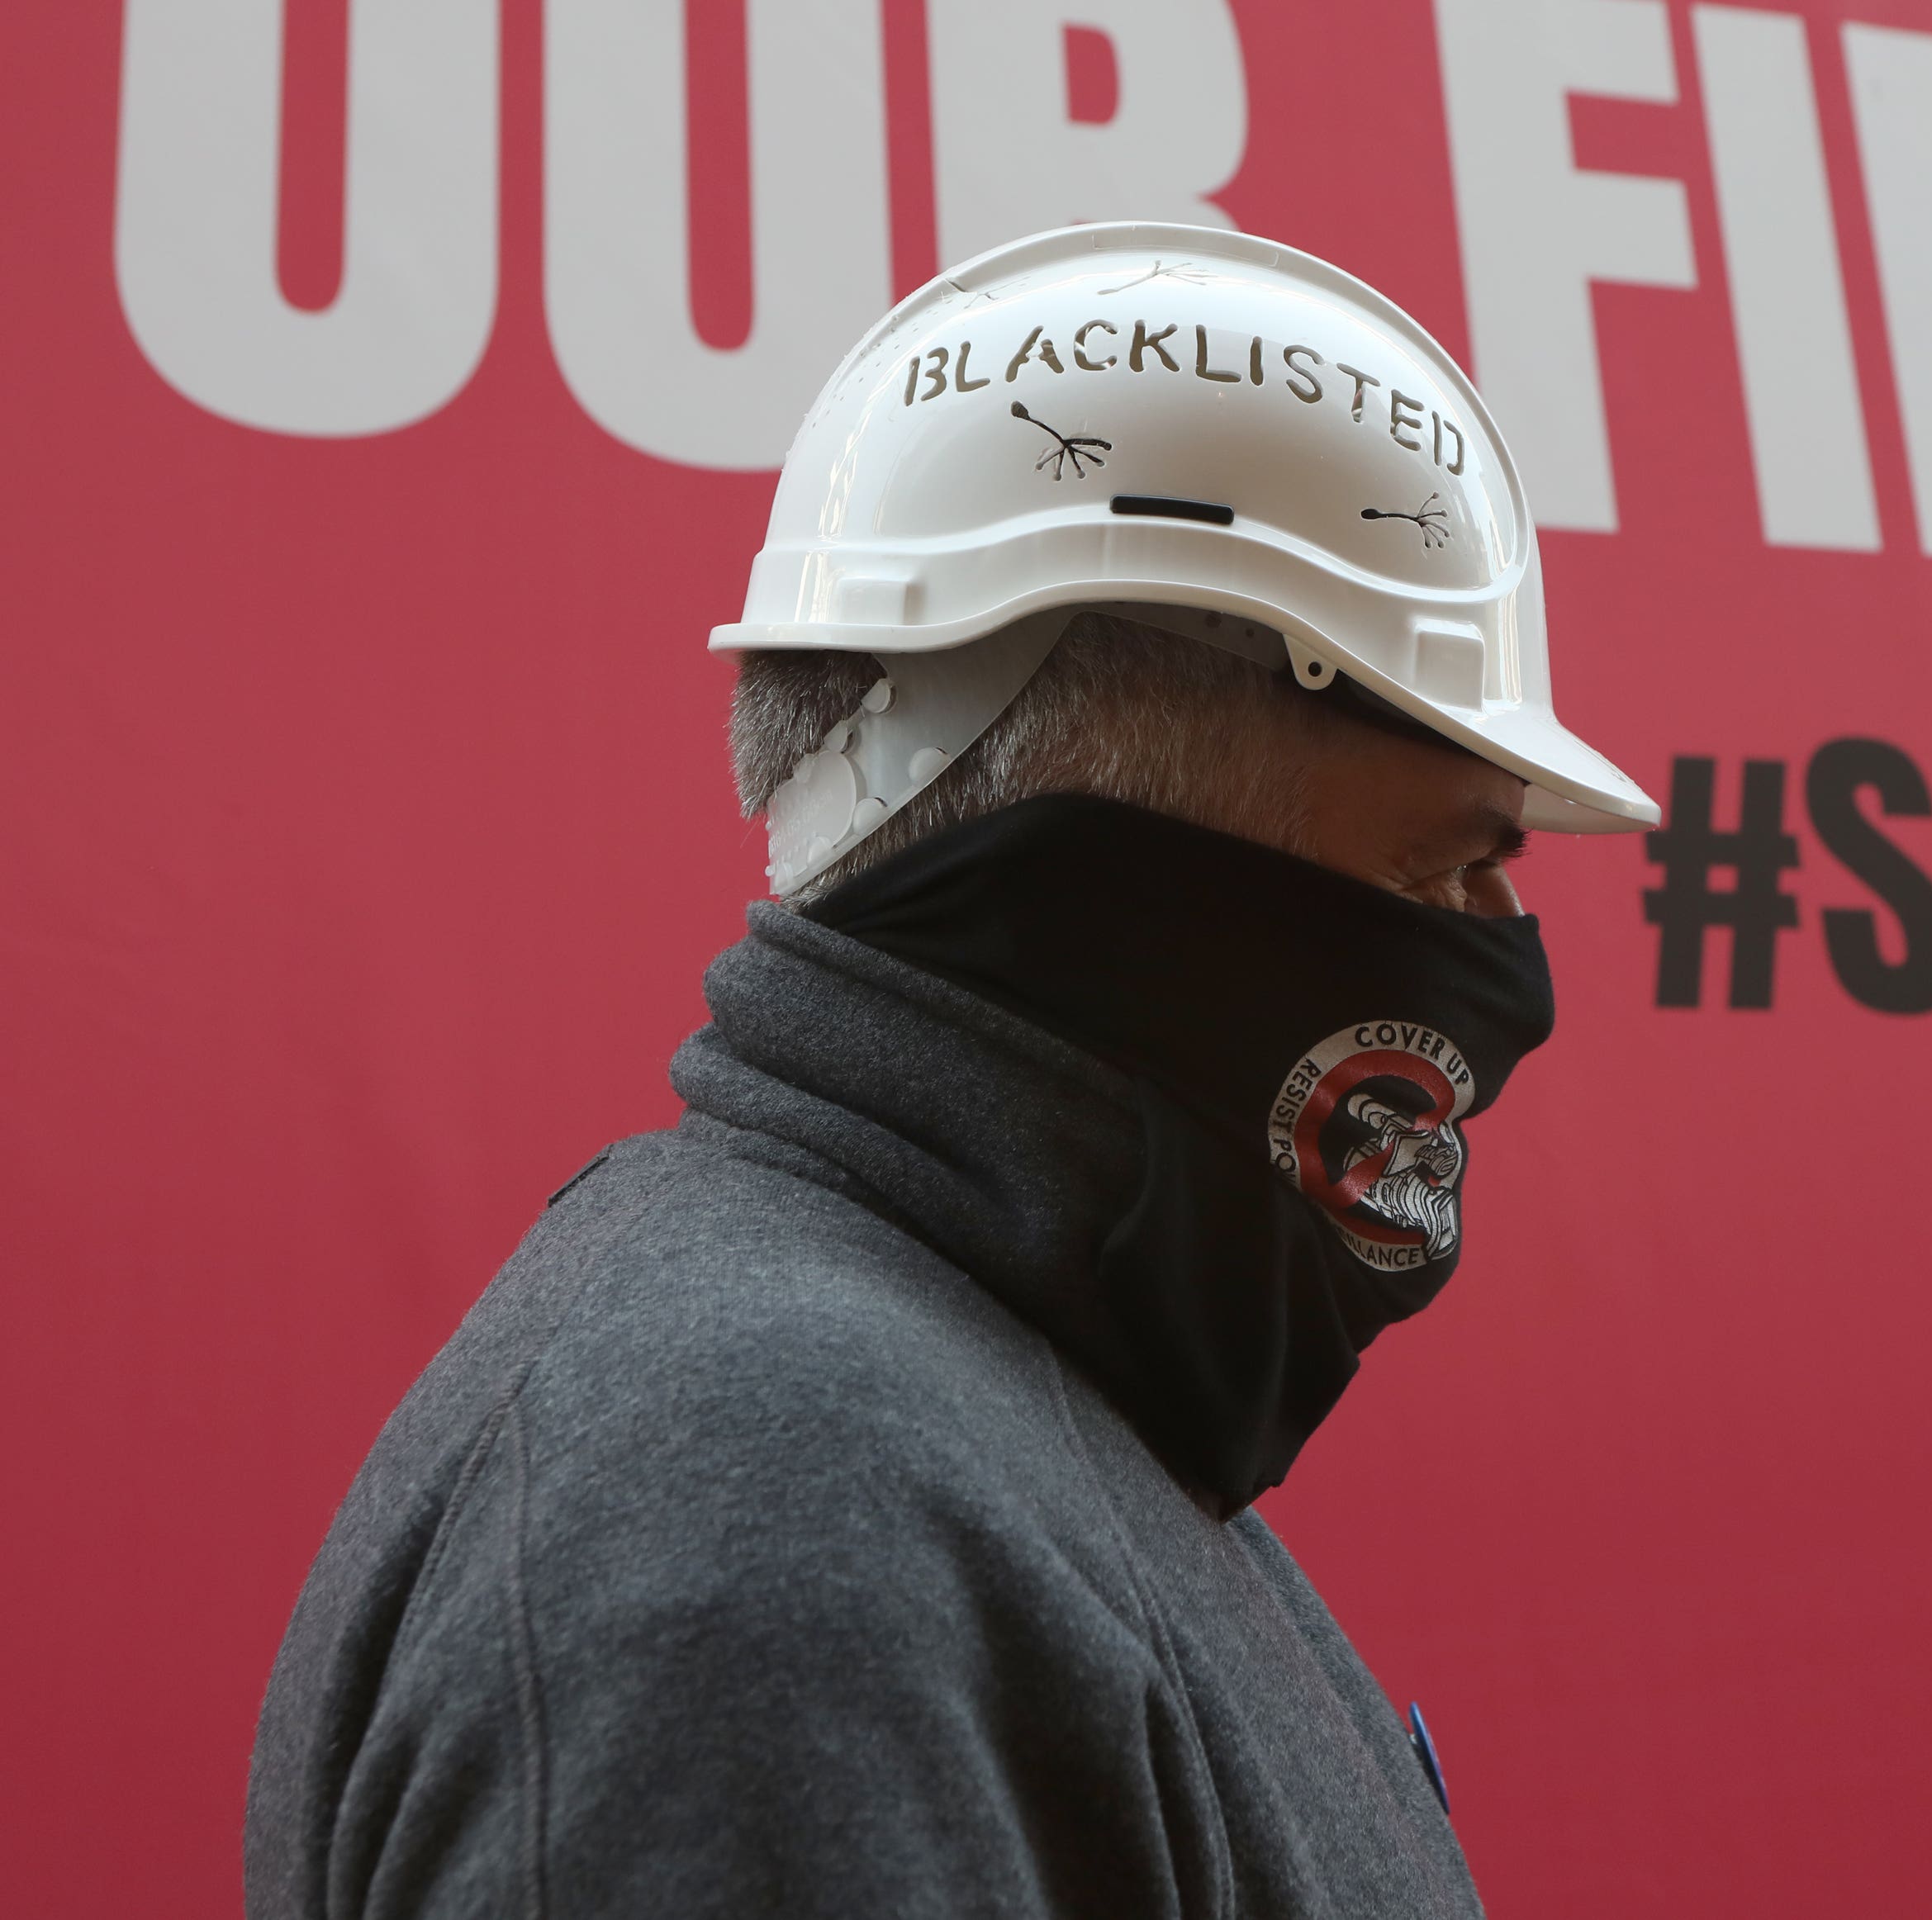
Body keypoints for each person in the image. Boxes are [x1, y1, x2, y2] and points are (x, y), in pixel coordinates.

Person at [242, 223, 1659, 1918]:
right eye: (1438, 868)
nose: (1500, 952)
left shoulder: (985, 1411)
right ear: (1126, 875)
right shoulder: (773, 1496)